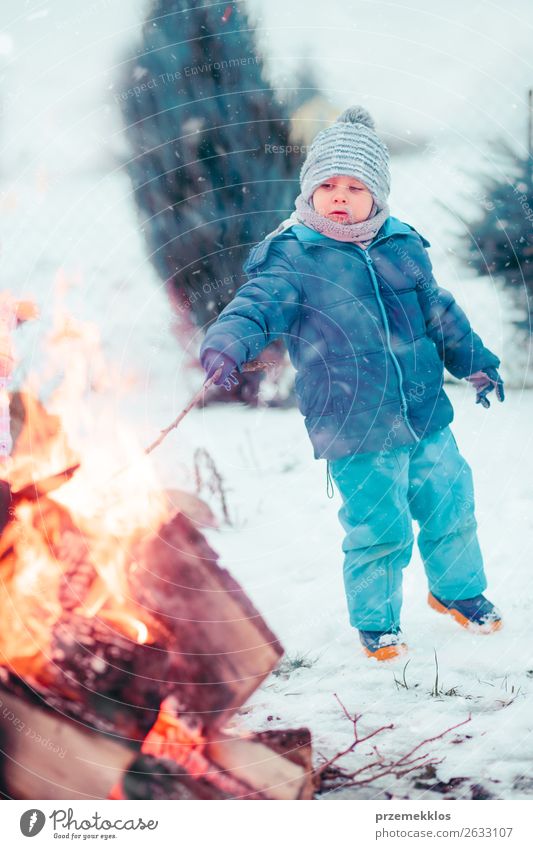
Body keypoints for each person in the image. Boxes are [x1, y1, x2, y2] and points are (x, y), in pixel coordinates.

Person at [200, 106, 504, 661]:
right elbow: (255, 307)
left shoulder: (401, 245)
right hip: (354, 424)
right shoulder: (293, 256)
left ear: (378, 194)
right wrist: (227, 343)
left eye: (355, 186)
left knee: (451, 504)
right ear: (310, 191)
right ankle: (377, 621)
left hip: (424, 413)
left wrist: (474, 360)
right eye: (328, 185)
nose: (340, 195)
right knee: (379, 526)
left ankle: (457, 591)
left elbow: (439, 311)